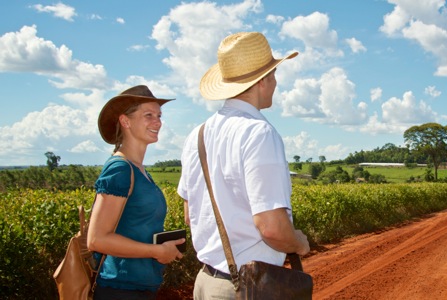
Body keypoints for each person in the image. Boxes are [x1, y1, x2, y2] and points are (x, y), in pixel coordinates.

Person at [177, 32, 311, 299]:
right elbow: (271, 228)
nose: (275, 83)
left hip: (205, 282)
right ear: (264, 79)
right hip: (244, 288)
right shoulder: (259, 133)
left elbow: (189, 215)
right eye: (274, 74)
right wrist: (299, 243)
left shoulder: (197, 135)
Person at [88, 85, 184, 299]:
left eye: (159, 116)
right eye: (148, 115)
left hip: (139, 288)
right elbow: (97, 239)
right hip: (120, 289)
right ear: (125, 121)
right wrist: (157, 251)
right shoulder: (120, 169)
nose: (157, 122)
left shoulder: (139, 170)